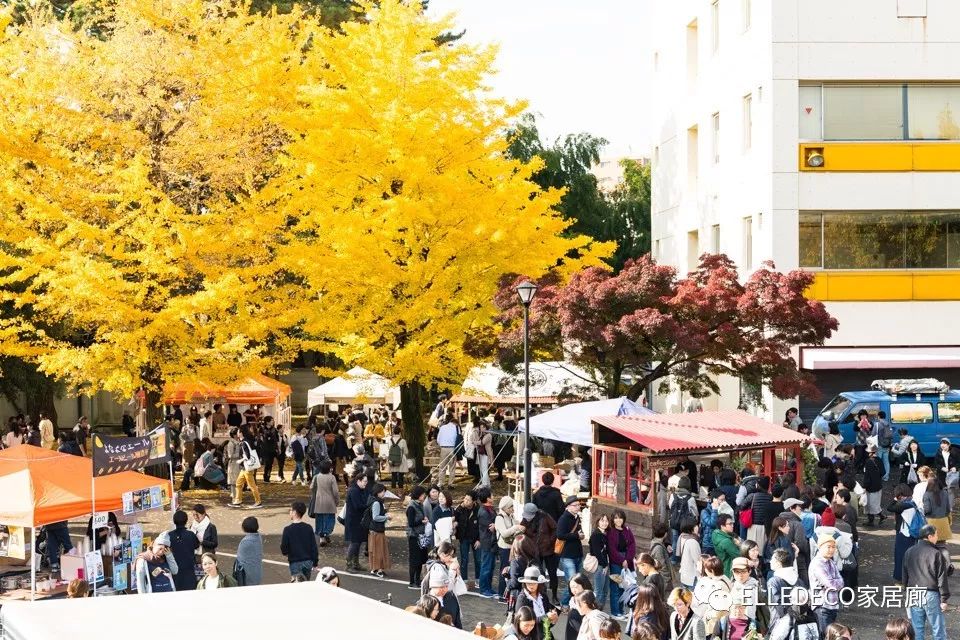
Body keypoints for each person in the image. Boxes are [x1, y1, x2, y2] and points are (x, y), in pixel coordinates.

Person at [903, 524, 950, 640]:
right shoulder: (936, 553)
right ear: (930, 536)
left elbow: (904, 574)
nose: (937, 537)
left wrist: (906, 591)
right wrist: (944, 598)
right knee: (938, 628)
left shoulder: (909, 551)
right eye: (936, 535)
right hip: (930, 594)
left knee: (917, 629)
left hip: (913, 593)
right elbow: (941, 577)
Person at [808, 535, 844, 634]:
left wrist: (835, 583)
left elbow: (841, 582)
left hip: (833, 605)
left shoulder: (831, 562)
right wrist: (835, 583)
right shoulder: (817, 563)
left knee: (831, 635)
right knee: (825, 635)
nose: (831, 549)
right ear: (820, 547)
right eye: (828, 546)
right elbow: (830, 583)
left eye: (833, 547)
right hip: (822, 606)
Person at [766, 547, 807, 633]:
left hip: (779, 625)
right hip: (799, 624)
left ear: (779, 563)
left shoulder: (773, 581)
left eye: (772, 559)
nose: (770, 561)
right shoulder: (799, 581)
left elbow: (777, 605)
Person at [889, 483, 922, 583]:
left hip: (904, 534)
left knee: (900, 557)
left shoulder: (903, 505)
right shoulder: (912, 503)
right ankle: (911, 577)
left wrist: (895, 499)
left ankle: (900, 578)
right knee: (910, 557)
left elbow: (890, 507)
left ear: (900, 495)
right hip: (912, 534)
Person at [607, 509, 636, 619]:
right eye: (616, 518)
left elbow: (632, 545)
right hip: (616, 562)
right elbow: (611, 549)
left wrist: (627, 559)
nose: (618, 520)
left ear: (623, 519)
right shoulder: (611, 532)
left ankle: (621, 610)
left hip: (627, 560)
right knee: (615, 587)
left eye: (620, 517)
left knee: (624, 587)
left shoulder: (627, 530)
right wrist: (621, 560)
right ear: (613, 519)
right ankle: (615, 612)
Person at [691, 556, 730, 638]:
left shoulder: (718, 586)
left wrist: (706, 616)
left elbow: (717, 610)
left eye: (706, 569)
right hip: (724, 619)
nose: (704, 570)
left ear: (712, 571)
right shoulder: (725, 578)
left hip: (714, 624)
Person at [557, 496, 586, 606]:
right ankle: (564, 603)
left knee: (577, 581)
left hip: (577, 553)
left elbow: (579, 532)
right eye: (575, 505)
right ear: (568, 507)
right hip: (567, 555)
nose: (578, 507)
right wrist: (575, 535)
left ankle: (572, 603)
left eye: (579, 505)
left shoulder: (577, 517)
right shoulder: (563, 518)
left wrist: (581, 535)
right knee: (573, 582)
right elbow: (560, 535)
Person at [515, 566, 560, 636]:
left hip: (544, 634)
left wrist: (553, 619)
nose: (531, 586)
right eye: (528, 583)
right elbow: (523, 622)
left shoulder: (543, 596)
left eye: (534, 583)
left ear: (539, 583)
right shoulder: (522, 599)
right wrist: (546, 617)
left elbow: (547, 623)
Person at [280, 501, 318, 581]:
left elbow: (284, 547)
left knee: (297, 584)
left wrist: (286, 553)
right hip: (308, 561)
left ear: (294, 512)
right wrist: (315, 562)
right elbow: (313, 547)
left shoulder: (287, 530)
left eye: (290, 510)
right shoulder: (308, 528)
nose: (289, 512)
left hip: (295, 561)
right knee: (306, 582)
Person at [496, 496, 525, 600]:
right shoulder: (499, 518)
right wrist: (515, 528)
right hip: (504, 548)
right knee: (504, 570)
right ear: (505, 507)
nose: (512, 508)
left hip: (512, 547)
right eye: (510, 506)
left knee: (511, 570)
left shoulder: (511, 516)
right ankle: (501, 594)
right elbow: (504, 533)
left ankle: (509, 594)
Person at [308, 459, 340, 546]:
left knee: (320, 520)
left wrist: (316, 491)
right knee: (329, 519)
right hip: (330, 502)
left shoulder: (316, 477)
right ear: (329, 469)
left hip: (319, 501)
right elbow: (335, 491)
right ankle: (327, 533)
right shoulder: (332, 477)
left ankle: (322, 537)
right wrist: (337, 501)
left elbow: (311, 487)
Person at [167, 510, 200, 591]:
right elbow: (197, 545)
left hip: (174, 569)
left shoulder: (169, 535)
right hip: (189, 569)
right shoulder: (191, 534)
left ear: (174, 521)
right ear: (186, 521)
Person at [363, 482, 391, 577]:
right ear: (378, 492)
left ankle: (375, 568)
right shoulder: (376, 503)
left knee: (374, 550)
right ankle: (378, 570)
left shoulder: (374, 501)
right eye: (383, 491)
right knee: (379, 551)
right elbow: (375, 517)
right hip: (376, 530)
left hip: (373, 530)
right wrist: (386, 517)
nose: (384, 493)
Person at [344, 471, 369, 572]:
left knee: (358, 542)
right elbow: (358, 506)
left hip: (358, 520)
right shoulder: (354, 491)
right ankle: (349, 564)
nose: (365, 483)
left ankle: (355, 563)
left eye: (366, 481)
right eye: (364, 481)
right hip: (353, 520)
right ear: (358, 481)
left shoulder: (360, 490)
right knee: (354, 542)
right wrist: (368, 505)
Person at [231, 428, 262, 508]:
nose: (237, 433)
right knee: (239, 483)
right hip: (245, 468)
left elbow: (247, 456)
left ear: (241, 433)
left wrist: (240, 460)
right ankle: (238, 500)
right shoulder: (245, 442)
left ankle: (258, 501)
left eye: (238, 432)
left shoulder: (244, 443)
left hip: (247, 468)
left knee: (251, 485)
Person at [454, 491, 481, 583]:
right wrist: (460, 507)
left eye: (468, 500)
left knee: (478, 560)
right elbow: (454, 517)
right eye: (465, 499)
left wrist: (479, 539)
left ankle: (478, 579)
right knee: (464, 559)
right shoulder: (460, 508)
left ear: (473, 501)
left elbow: (482, 526)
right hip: (463, 537)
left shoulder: (478, 509)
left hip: (475, 538)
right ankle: (464, 580)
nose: (465, 501)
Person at [406, 485, 430, 589]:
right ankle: (412, 581)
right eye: (423, 494)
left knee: (421, 559)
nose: (424, 496)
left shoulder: (420, 504)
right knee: (414, 559)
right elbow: (411, 523)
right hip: (414, 536)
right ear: (418, 495)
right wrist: (421, 521)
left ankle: (417, 579)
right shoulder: (411, 506)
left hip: (421, 535)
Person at [476, 487, 499, 597]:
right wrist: (496, 525)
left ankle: (488, 587)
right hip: (487, 543)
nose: (493, 497)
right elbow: (490, 527)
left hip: (492, 542)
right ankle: (484, 588)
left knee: (491, 566)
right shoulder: (483, 511)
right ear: (488, 498)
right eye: (492, 495)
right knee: (486, 566)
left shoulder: (490, 509)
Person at [588, 513, 611, 608]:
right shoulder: (596, 535)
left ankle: (600, 610)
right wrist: (605, 565)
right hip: (599, 565)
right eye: (602, 520)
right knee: (598, 591)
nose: (604, 523)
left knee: (605, 590)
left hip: (604, 565)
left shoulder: (604, 534)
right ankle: (595, 610)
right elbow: (597, 552)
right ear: (598, 522)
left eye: (606, 521)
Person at [729, 557, 759, 627]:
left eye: (743, 571)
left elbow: (750, 614)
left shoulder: (750, 589)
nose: (740, 575)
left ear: (749, 571)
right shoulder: (734, 584)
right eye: (737, 572)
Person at [235, 516, 263, 586]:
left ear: (244, 528)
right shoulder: (258, 536)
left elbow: (240, 559)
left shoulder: (245, 541)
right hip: (257, 571)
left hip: (247, 574)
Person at [711, 514, 740, 578]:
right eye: (730, 524)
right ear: (722, 526)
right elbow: (739, 555)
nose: (732, 526)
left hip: (722, 567)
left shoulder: (716, 534)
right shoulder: (726, 542)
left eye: (732, 523)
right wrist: (739, 545)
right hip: (729, 570)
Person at [864, 445, 887, 526]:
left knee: (869, 504)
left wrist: (865, 485)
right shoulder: (879, 460)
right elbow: (883, 472)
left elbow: (867, 476)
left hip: (870, 486)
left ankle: (872, 520)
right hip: (878, 484)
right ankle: (880, 516)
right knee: (875, 504)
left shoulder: (868, 462)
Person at [649, 522, 675, 596]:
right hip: (662, 579)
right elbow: (662, 565)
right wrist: (668, 579)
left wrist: (667, 546)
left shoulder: (655, 542)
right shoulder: (658, 548)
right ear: (665, 534)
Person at [564, 574, 592, 639]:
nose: (573, 590)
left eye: (575, 587)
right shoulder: (572, 600)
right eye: (571, 587)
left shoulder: (591, 599)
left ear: (584, 585)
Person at [676, 518, 701, 590]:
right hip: (692, 577)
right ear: (691, 528)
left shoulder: (682, 537)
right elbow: (698, 561)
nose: (698, 527)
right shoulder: (693, 542)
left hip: (684, 574)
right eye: (696, 525)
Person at [436, 413, 459, 488]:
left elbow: (438, 439)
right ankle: (450, 483)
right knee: (452, 467)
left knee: (442, 467)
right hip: (453, 448)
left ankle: (441, 483)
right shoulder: (456, 427)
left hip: (444, 448)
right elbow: (459, 438)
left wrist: (442, 445)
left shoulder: (442, 427)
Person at [474, 420, 494, 488]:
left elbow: (482, 442)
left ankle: (485, 484)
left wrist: (475, 442)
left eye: (483, 427)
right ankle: (486, 483)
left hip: (486, 453)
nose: (481, 429)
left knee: (485, 469)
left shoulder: (488, 435)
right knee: (483, 469)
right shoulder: (483, 434)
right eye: (481, 427)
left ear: (486, 427)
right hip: (482, 453)